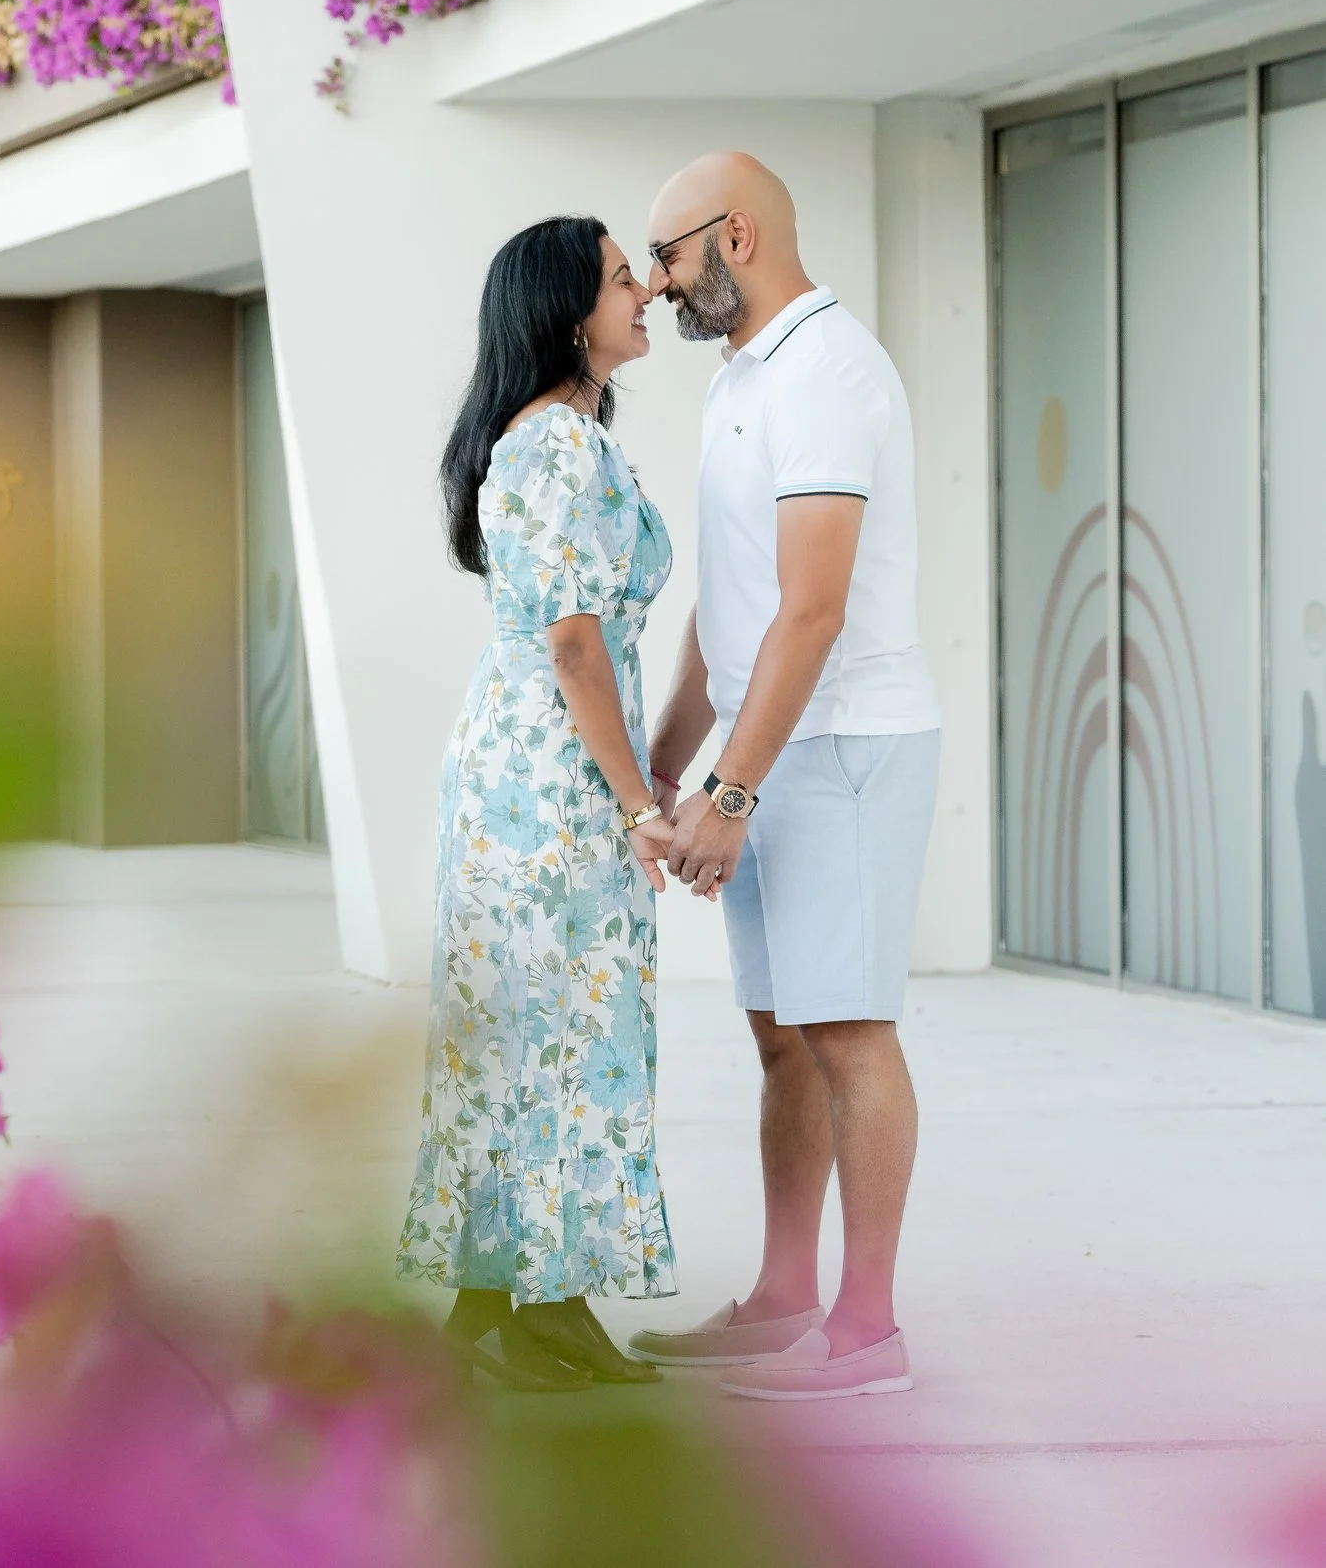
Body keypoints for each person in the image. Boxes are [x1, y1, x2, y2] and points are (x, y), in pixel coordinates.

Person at [626, 154, 942, 1401]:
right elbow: (733, 597)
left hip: (846, 742)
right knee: (781, 1041)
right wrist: (668, 754)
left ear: (735, 235)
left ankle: (868, 1334)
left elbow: (810, 613)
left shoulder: (826, 372)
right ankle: (784, 1295)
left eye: (667, 255)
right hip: (770, 743)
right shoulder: (740, 379)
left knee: (847, 1035)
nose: (655, 283)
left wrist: (732, 792)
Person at [398, 215, 679, 1392]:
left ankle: (484, 1301)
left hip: (516, 768)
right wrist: (637, 803)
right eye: (626, 278)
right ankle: (545, 1305)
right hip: (553, 781)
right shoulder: (558, 445)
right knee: (571, 1026)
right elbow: (573, 642)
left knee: (514, 1029)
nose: (650, 288)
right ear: (569, 312)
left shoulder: (539, 439)